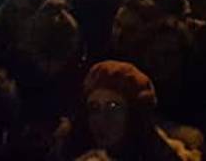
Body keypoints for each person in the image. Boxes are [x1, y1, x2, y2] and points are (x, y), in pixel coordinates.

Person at [53, 60, 190, 161]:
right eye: (94, 108)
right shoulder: (70, 147)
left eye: (113, 107)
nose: (102, 119)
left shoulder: (159, 154)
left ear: (133, 115)